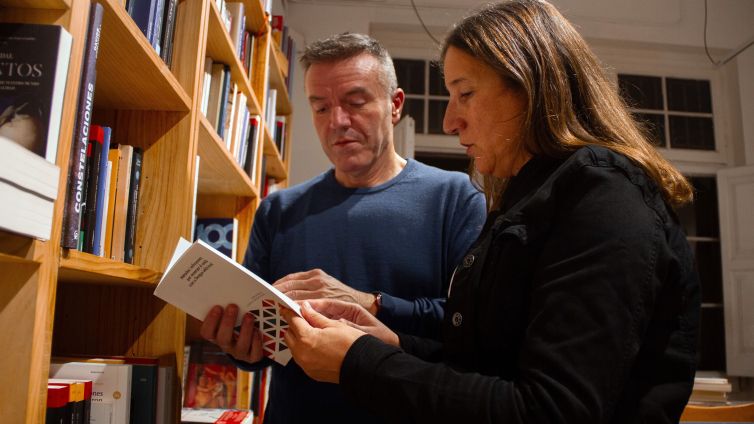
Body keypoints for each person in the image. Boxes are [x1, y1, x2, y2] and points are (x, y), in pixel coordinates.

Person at [280, 1, 701, 423]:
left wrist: (358, 362)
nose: (449, 121)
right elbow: (488, 365)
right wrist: (390, 344)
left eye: (465, 93)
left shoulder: (604, 197)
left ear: (530, 87)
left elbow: (550, 410)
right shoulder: (526, 200)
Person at [200, 33, 487, 423]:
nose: (337, 122)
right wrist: (242, 348)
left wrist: (367, 302)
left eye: (355, 103)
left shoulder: (456, 198)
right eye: (320, 108)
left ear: (395, 105)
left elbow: (469, 327)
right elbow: (260, 329)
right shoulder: (280, 209)